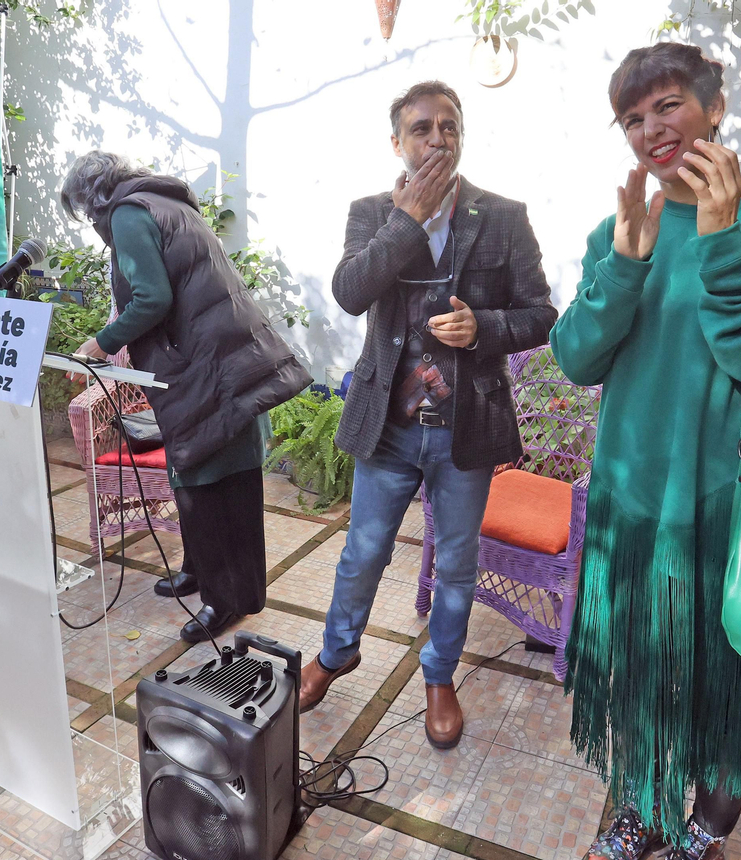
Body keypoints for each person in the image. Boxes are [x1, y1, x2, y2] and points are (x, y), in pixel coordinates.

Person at [552, 44, 741, 860]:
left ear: (715, 107)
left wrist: (719, 246)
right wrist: (625, 266)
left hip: (731, 508)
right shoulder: (622, 230)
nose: (651, 129)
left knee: (721, 681)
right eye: (633, 119)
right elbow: (576, 357)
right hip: (633, 499)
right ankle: (643, 808)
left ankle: (704, 842)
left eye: (668, 105)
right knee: (639, 669)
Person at [298, 81, 556, 749]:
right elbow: (351, 292)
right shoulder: (370, 213)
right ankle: (336, 653)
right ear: (397, 143)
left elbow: (541, 314)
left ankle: (439, 674)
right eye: (421, 129)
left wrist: (484, 327)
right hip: (388, 426)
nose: (437, 138)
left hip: (465, 429)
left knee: (458, 563)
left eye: (448, 126)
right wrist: (407, 220)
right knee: (362, 553)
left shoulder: (503, 216)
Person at [61, 152, 310, 643]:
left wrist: (102, 343)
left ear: (94, 199)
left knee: (211, 487)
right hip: (218, 362)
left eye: (86, 212)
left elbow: (152, 298)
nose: (91, 223)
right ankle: (199, 570)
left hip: (206, 369)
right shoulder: (164, 203)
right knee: (196, 476)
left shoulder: (129, 213)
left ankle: (226, 600)